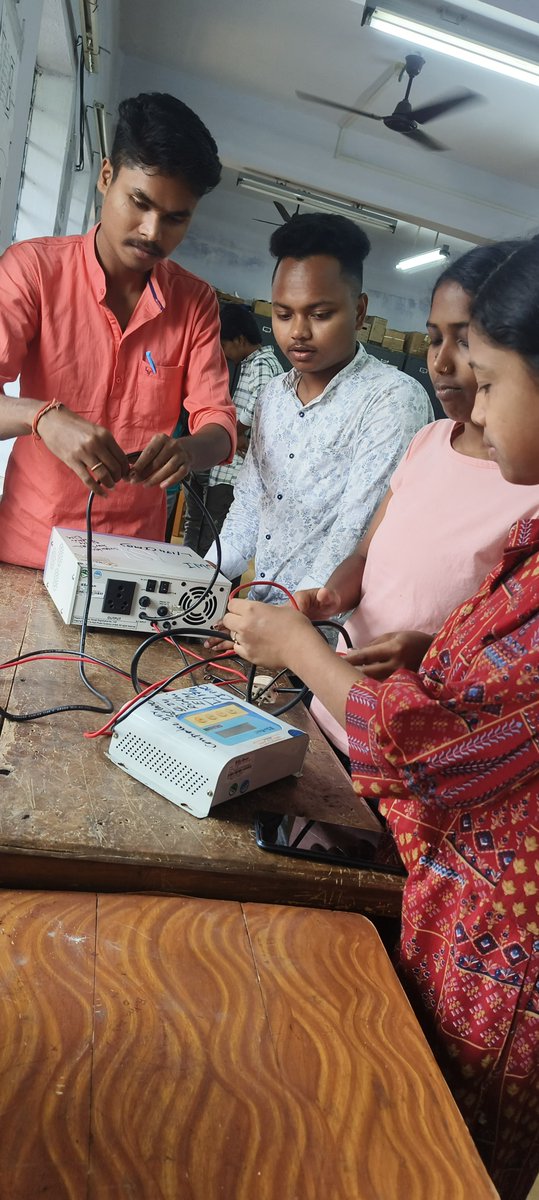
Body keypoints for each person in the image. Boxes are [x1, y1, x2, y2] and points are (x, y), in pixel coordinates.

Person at [220, 237, 539, 1200]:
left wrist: (301, 651)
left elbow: (442, 758)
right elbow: (496, 688)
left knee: (432, 1157)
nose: (469, 406)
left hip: (499, 959)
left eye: (485, 377)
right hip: (458, 912)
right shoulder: (527, 526)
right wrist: (431, 657)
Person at [305, 241, 539, 758]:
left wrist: (429, 654)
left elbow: (502, 678)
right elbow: (368, 556)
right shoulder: (428, 441)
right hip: (334, 703)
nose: (441, 362)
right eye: (434, 340)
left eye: (466, 346)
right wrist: (328, 600)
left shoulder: (527, 492)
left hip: (400, 744)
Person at [0, 92, 237, 569]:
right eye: (139, 202)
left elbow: (221, 426)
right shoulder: (33, 271)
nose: (153, 232)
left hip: (131, 563)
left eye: (176, 218)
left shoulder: (195, 303)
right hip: (26, 551)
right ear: (106, 177)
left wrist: (188, 451)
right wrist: (41, 417)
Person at [206, 213, 432, 603]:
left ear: (359, 312)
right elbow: (247, 510)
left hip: (332, 633)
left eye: (320, 314)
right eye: (283, 314)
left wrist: (288, 622)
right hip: (264, 617)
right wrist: (199, 585)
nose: (298, 332)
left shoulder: (391, 398)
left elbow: (355, 532)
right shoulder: (273, 396)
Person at [182, 303, 282, 558]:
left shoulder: (262, 364)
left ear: (239, 339)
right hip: (226, 470)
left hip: (233, 476)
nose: (224, 353)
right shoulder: (251, 364)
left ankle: (214, 591)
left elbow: (256, 408)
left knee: (217, 539)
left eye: (224, 345)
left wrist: (228, 434)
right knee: (203, 531)